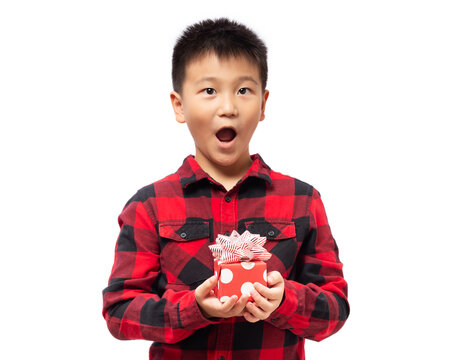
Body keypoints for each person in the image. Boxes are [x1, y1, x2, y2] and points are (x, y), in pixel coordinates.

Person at [102, 17, 349, 360]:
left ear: (263, 105)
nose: (228, 107)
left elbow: (335, 310)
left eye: (243, 90)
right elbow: (119, 313)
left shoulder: (303, 201)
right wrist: (193, 310)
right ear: (179, 105)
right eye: (209, 90)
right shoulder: (149, 205)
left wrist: (284, 300)